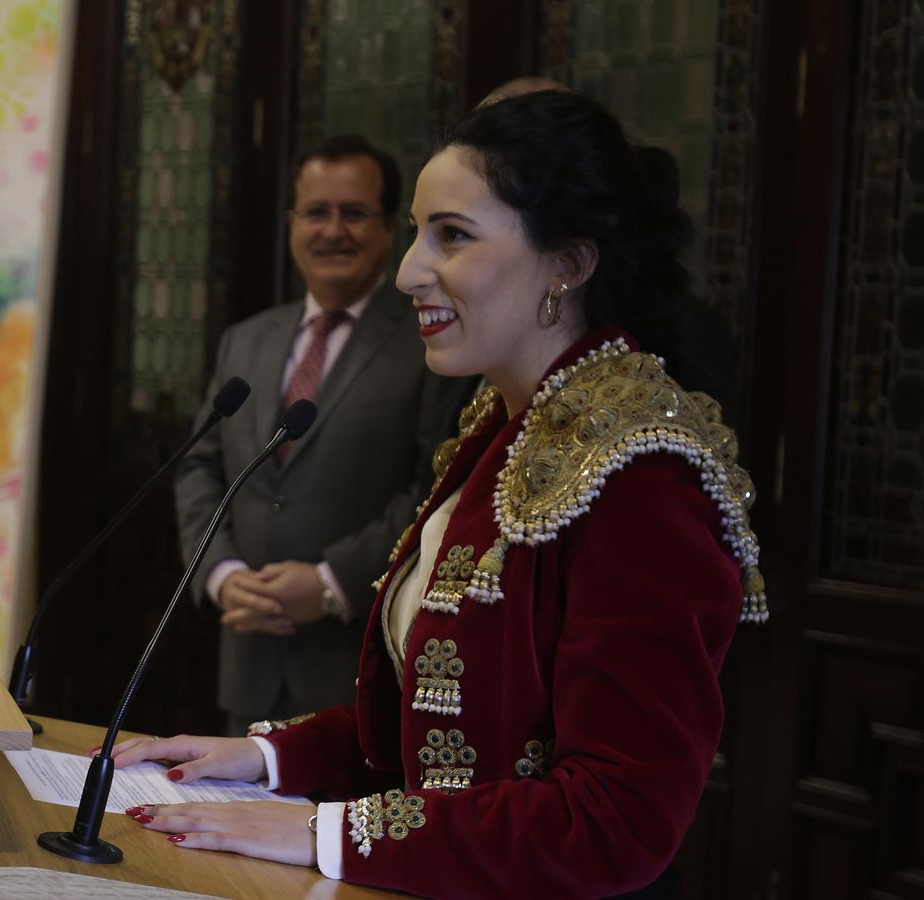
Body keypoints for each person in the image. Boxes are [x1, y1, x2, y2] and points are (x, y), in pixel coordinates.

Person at [114, 91, 768, 898]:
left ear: (567, 263)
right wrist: (264, 759)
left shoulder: (642, 472)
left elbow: (617, 822)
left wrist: (323, 829)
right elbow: (433, 723)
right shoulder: (506, 425)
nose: (407, 271)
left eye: (451, 236)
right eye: (419, 232)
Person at [175, 135, 476, 735]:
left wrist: (330, 583)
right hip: (250, 661)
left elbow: (436, 485)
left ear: (391, 227)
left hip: (359, 668)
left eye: (354, 213)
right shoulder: (247, 339)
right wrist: (221, 573)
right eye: (317, 212)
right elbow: (200, 465)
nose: (332, 231)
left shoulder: (434, 343)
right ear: (292, 224)